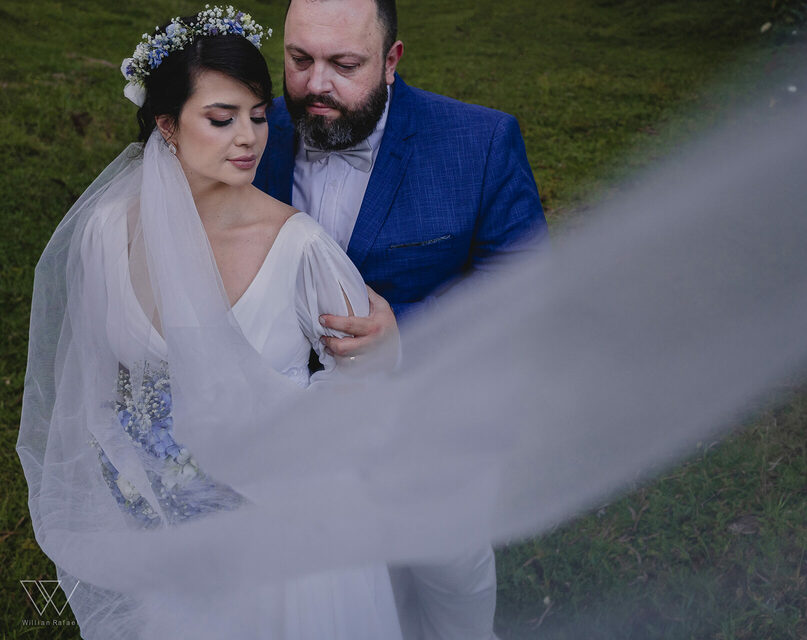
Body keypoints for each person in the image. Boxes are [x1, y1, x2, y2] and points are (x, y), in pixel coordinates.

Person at [18, 7, 402, 638]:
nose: (248, 138)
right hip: (164, 533)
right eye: (221, 119)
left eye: (258, 116)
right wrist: (140, 479)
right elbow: (96, 383)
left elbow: (362, 381)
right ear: (167, 125)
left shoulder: (301, 247)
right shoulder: (106, 233)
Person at [254, 2, 548, 637]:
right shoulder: (250, 131)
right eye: (299, 59)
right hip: (289, 433)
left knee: (448, 576)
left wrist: (406, 335)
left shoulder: (479, 142)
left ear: (391, 61)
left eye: (344, 64)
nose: (316, 84)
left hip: (431, 426)